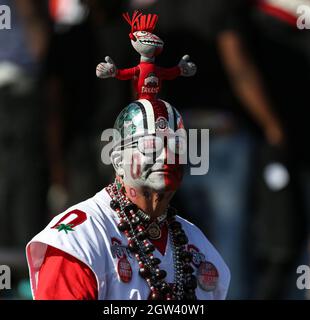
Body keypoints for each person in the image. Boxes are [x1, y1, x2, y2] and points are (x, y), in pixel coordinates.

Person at [26, 99, 230, 300]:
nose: (167, 155)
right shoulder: (79, 241)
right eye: (151, 145)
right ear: (118, 161)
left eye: (177, 145)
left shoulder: (200, 248)